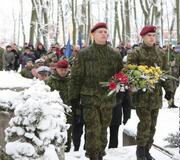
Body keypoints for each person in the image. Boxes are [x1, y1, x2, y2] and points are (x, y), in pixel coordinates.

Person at [69, 22, 123, 160]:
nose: (104, 34)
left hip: (108, 99)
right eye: (100, 32)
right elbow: (76, 77)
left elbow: (120, 74)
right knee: (93, 130)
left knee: (104, 129)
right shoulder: (84, 54)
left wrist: (121, 90)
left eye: (105, 31)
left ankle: (100, 154)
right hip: (90, 98)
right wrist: (74, 98)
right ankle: (93, 156)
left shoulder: (114, 54)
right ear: (93, 35)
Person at [127, 25, 173, 160]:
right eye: (149, 36)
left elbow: (165, 73)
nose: (152, 38)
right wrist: (140, 81)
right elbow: (130, 74)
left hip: (156, 96)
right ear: (143, 37)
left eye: (154, 35)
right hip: (142, 96)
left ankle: (147, 150)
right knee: (145, 124)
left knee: (152, 126)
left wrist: (169, 89)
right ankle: (140, 152)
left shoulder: (161, 53)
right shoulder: (135, 53)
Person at [45, 59, 72, 152]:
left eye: (65, 70)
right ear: (56, 69)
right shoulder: (49, 81)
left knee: (68, 131)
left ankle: (67, 150)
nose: (63, 72)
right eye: (61, 70)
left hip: (69, 111)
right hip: (54, 112)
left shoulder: (71, 81)